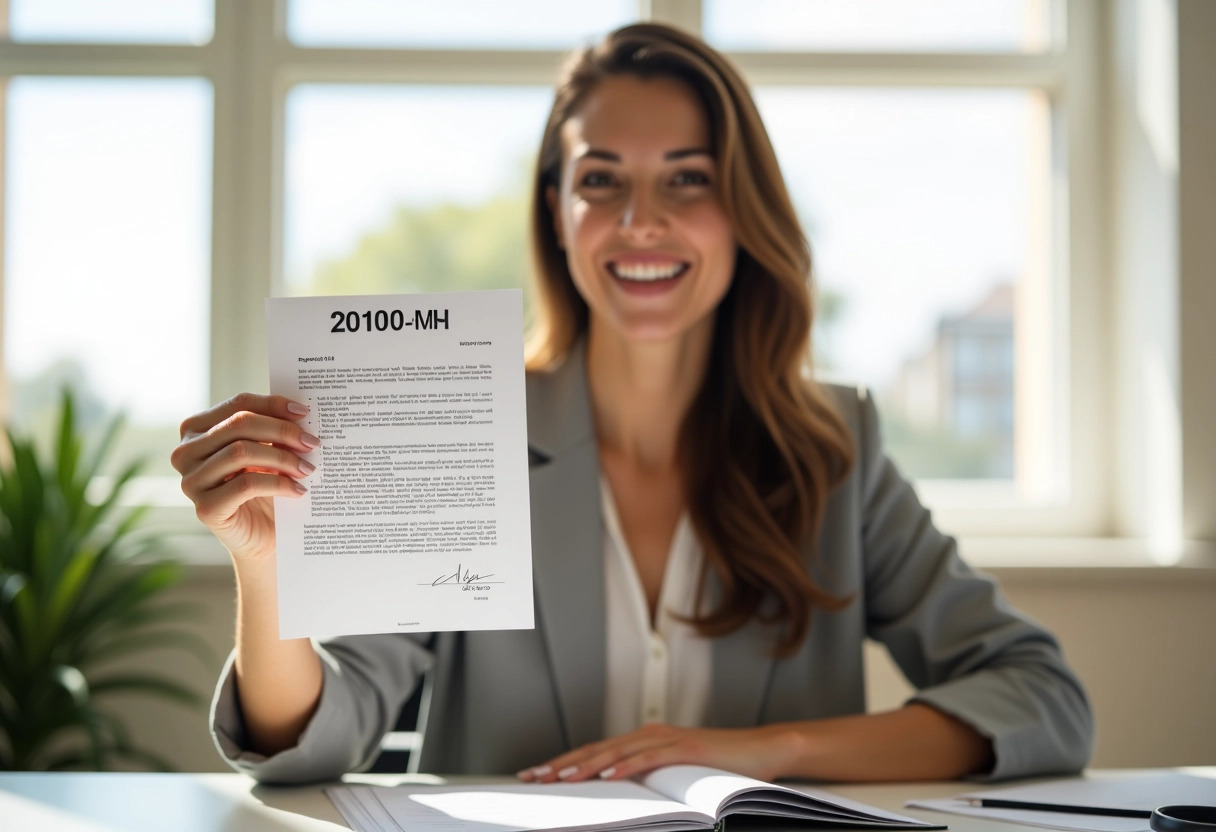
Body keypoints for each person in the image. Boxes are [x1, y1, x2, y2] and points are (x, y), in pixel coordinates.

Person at [172, 22, 1093, 786]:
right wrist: (266, 572)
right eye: (601, 180)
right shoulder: (457, 430)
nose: (640, 220)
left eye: (687, 178)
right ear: (559, 211)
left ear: (742, 208)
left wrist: (766, 753)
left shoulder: (833, 449)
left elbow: (1043, 699)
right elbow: (314, 740)